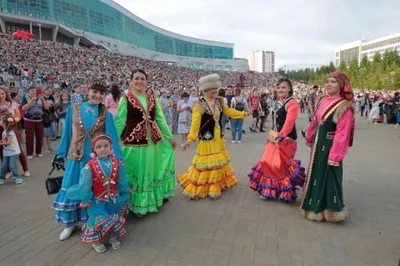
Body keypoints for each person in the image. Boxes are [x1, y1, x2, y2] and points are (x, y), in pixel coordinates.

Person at [53, 81, 123, 241]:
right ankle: (69, 224)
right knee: (72, 186)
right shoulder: (74, 108)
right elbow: (67, 134)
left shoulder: (106, 113)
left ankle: (90, 222)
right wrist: (61, 153)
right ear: (88, 91)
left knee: (93, 190)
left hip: (94, 159)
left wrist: (117, 158)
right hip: (75, 156)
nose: (97, 96)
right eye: (95, 92)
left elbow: (112, 136)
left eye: (101, 93)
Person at [115, 69, 176, 217]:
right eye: (136, 78)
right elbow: (120, 121)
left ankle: (151, 199)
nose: (139, 81)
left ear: (146, 81)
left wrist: (169, 137)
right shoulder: (126, 98)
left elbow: (160, 118)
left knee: (153, 169)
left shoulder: (152, 98)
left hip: (153, 143)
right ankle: (136, 204)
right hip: (134, 143)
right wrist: (113, 142)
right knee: (135, 171)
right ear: (131, 80)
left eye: (142, 79)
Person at [179, 74, 250, 200]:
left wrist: (243, 114)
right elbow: (195, 123)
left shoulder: (219, 101)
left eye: (216, 89)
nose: (215, 91)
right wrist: (190, 139)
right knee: (206, 165)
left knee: (217, 164)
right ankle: (202, 188)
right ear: (205, 90)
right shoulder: (199, 104)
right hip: (207, 138)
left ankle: (215, 185)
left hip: (218, 138)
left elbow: (229, 112)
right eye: (213, 89)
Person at [300, 71, 355, 223]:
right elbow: (315, 123)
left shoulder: (344, 106)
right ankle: (314, 206)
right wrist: (310, 136)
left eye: (333, 82)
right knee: (316, 173)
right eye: (327, 81)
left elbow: (342, 133)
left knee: (329, 175)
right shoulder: (322, 100)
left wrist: (335, 155)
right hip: (318, 144)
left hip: (330, 145)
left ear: (341, 86)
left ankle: (331, 210)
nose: (329, 84)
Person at [66, 134, 130, 253]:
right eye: (99, 147)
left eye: (106, 146)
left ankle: (113, 237)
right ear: (94, 150)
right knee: (96, 220)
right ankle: (96, 241)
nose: (103, 149)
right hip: (97, 200)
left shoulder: (118, 163)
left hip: (113, 199)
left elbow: (122, 179)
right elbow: (85, 184)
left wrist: (124, 191)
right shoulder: (89, 166)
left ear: (111, 147)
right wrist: (86, 198)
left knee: (114, 216)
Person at [248, 78, 305, 202]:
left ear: (290, 89)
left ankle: (282, 191)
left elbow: (289, 122)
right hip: (275, 137)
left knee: (280, 166)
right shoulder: (278, 102)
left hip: (287, 139)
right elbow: (274, 122)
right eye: (278, 87)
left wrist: (281, 136)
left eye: (283, 87)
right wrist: (271, 137)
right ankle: (270, 190)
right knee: (267, 162)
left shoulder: (293, 103)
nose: (280, 90)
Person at [0, 116, 24, 185]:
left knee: (12, 165)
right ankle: (1, 178)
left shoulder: (9, 132)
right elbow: (5, 141)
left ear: (4, 123)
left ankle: (17, 177)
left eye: (1, 120)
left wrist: (1, 143)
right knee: (4, 166)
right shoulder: (4, 132)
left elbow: (9, 142)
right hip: (7, 152)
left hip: (13, 152)